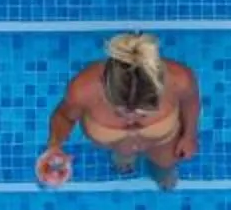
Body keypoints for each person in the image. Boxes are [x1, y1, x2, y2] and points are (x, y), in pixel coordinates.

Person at [36, 32, 200, 191]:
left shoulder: (180, 80)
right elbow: (64, 116)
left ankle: (161, 171)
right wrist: (54, 146)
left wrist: (189, 136)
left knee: (165, 165)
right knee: (123, 155)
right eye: (121, 112)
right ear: (104, 88)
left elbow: (191, 103)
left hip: (162, 145)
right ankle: (125, 158)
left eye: (143, 112)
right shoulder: (82, 90)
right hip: (117, 146)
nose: (131, 119)